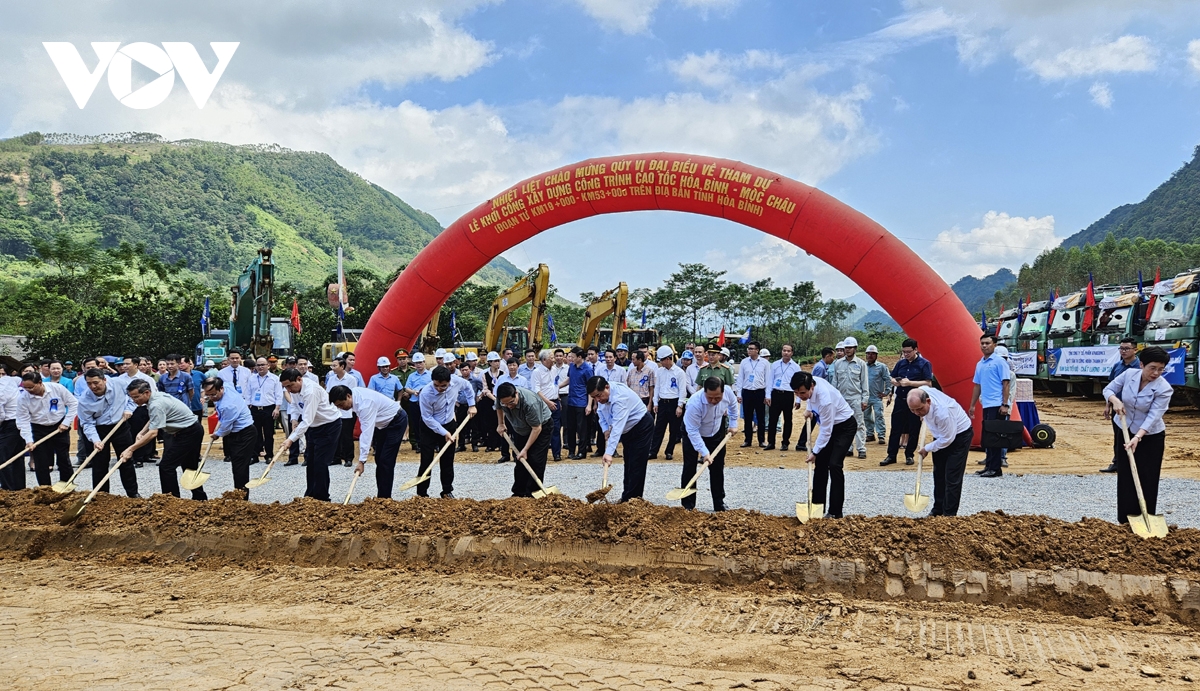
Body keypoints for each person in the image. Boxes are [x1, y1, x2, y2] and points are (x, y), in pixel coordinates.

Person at [1104, 346, 1173, 526]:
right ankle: (1125, 519)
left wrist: (1138, 437)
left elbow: (1153, 416)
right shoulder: (1129, 375)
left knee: (1147, 476)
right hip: (1125, 429)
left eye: (1161, 369)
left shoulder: (1164, 389)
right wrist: (1115, 400)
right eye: (1152, 368)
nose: (1156, 373)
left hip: (1150, 436)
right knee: (1126, 473)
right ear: (1142, 364)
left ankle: (1146, 518)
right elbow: (1108, 389)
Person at [124, 379, 207, 499]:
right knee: (189, 466)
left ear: (146, 393)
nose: (134, 400)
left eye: (136, 397)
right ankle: (200, 498)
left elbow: (153, 433)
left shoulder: (156, 404)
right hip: (189, 430)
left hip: (189, 432)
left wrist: (131, 449)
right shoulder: (155, 397)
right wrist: (142, 432)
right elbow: (155, 417)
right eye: (132, 397)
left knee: (167, 466)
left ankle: (171, 500)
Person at [791, 371, 856, 519]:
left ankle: (835, 511)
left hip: (844, 427)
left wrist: (814, 452)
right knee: (820, 465)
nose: (800, 396)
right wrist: (809, 409)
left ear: (811, 386)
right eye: (796, 393)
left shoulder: (826, 400)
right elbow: (811, 400)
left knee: (834, 464)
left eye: (803, 392)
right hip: (830, 425)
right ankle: (817, 507)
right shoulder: (812, 382)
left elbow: (826, 431)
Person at [329, 385, 407, 499]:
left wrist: (362, 461)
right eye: (338, 406)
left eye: (341, 404)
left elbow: (366, 433)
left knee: (386, 460)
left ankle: (384, 498)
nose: (341, 408)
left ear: (348, 396)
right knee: (379, 458)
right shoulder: (355, 396)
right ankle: (382, 495)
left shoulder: (365, 404)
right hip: (381, 424)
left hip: (396, 421)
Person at [907, 386, 973, 516]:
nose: (916, 413)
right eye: (913, 410)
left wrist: (927, 448)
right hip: (940, 435)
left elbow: (947, 440)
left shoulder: (943, 413)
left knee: (952, 477)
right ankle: (937, 510)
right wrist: (921, 413)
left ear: (928, 401)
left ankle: (949, 515)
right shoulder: (921, 392)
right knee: (939, 474)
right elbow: (923, 387)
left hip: (959, 436)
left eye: (919, 409)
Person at [280, 367, 342, 501]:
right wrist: (294, 419)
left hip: (329, 426)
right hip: (314, 427)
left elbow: (307, 419)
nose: (289, 390)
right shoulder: (294, 389)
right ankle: (310, 495)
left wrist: (290, 440)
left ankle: (322, 498)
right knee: (311, 461)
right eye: (286, 388)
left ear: (299, 379)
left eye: (290, 386)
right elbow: (295, 406)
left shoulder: (311, 392)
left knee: (321, 463)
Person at [588, 376, 655, 502]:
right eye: (594, 397)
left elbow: (618, 427)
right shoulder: (603, 397)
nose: (597, 399)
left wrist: (608, 453)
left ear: (607, 387)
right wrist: (605, 430)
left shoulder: (620, 398)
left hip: (641, 426)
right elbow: (601, 414)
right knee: (628, 462)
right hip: (627, 429)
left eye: (598, 395)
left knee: (637, 464)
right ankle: (627, 497)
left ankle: (634, 501)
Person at [76, 368, 138, 497]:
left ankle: (133, 494)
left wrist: (129, 409)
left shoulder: (118, 383)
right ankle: (102, 497)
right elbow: (87, 423)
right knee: (99, 464)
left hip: (120, 425)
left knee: (125, 460)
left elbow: (134, 393)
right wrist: (95, 440)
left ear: (104, 380)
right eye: (89, 383)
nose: (93, 386)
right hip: (99, 429)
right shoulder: (84, 400)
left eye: (96, 382)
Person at [681, 376, 740, 511]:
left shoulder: (729, 393)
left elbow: (732, 405)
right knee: (690, 467)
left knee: (717, 468)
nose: (714, 401)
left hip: (716, 431)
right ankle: (688, 506)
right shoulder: (694, 404)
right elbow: (693, 432)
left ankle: (719, 503)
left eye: (717, 398)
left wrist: (733, 424)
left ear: (723, 392)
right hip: (694, 432)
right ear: (704, 392)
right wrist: (705, 453)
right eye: (710, 398)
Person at [417, 366, 476, 498]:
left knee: (447, 460)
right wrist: (444, 433)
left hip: (449, 423)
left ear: (449, 381)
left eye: (443, 386)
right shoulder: (426, 393)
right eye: (436, 385)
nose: (439, 388)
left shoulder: (456, 381)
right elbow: (427, 418)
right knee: (427, 460)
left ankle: (447, 490)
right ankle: (422, 493)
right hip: (429, 427)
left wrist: (472, 405)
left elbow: (468, 387)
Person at [16, 371, 77, 487]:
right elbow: (22, 420)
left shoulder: (57, 388)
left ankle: (67, 486)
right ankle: (45, 489)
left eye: (31, 387)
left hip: (59, 427)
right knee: (41, 461)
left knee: (63, 458)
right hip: (38, 428)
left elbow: (73, 403)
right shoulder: (23, 398)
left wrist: (66, 422)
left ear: (39, 383)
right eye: (26, 387)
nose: (28, 390)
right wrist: (28, 440)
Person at [201, 376, 257, 497]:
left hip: (244, 434)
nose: (211, 398)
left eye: (214, 395)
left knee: (239, 467)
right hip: (235, 432)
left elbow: (226, 427)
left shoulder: (228, 405)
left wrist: (217, 434)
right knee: (236, 464)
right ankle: (239, 492)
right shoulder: (226, 386)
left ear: (221, 389)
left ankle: (241, 497)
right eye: (208, 395)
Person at [496, 381, 552, 497]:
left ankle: (534, 493)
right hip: (520, 428)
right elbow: (498, 407)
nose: (509, 406)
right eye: (505, 404)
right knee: (520, 460)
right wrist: (501, 423)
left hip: (541, 427)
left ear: (516, 394)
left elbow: (536, 428)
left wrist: (525, 449)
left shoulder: (530, 403)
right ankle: (519, 492)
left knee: (536, 459)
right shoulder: (502, 397)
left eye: (511, 402)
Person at [884, 339, 933, 466]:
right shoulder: (901, 364)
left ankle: (909, 455)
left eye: (909, 352)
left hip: (916, 402)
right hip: (900, 400)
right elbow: (892, 376)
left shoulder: (924, 364)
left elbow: (928, 383)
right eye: (904, 352)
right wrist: (894, 381)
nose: (906, 354)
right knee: (896, 428)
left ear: (916, 350)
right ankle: (891, 455)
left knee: (913, 428)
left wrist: (910, 383)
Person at [969, 333, 1011, 478]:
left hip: (997, 404)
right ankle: (988, 466)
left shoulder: (999, 362)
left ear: (994, 345)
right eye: (982, 343)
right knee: (987, 437)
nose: (984, 346)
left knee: (996, 437)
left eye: (987, 343)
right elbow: (977, 385)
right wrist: (972, 405)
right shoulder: (980, 363)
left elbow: (1006, 383)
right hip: (986, 404)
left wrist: (1005, 404)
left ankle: (996, 468)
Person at [1100, 337, 1142, 473]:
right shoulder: (1117, 366)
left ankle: (1134, 463)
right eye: (1121, 348)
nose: (1123, 351)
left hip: (1134, 408)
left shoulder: (1139, 367)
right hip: (1117, 408)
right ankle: (1117, 463)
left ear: (1135, 350)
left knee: (1134, 435)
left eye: (1126, 349)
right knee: (1118, 436)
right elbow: (1111, 387)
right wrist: (1108, 405)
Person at [828, 336, 869, 459]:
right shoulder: (838, 364)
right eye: (846, 348)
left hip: (856, 398)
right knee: (843, 424)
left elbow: (864, 383)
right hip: (841, 399)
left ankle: (861, 449)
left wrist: (865, 399)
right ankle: (848, 448)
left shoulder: (861, 364)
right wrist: (833, 399)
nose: (848, 350)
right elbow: (834, 383)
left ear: (855, 348)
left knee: (859, 424)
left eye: (850, 348)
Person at [244, 356, 284, 463]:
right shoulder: (251, 378)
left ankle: (269, 455)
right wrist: (247, 406)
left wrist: (277, 408)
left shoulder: (275, 379)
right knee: (255, 433)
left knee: (268, 433)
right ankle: (255, 455)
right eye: (258, 365)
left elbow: (278, 394)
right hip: (254, 409)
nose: (260, 367)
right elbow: (247, 393)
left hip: (269, 408)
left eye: (263, 365)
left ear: (268, 365)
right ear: (255, 367)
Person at [651, 346, 686, 460]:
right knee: (658, 429)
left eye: (661, 360)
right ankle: (653, 451)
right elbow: (657, 387)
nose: (660, 363)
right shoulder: (660, 371)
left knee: (674, 429)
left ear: (668, 359)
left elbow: (682, 390)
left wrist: (680, 406)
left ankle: (669, 451)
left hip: (674, 402)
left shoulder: (679, 372)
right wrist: (655, 402)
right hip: (663, 402)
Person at [765, 344, 801, 451]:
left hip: (788, 394)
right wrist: (768, 395)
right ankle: (771, 442)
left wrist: (798, 399)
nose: (786, 353)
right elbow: (770, 381)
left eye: (788, 351)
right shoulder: (775, 364)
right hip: (776, 393)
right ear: (782, 351)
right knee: (773, 419)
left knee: (788, 419)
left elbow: (799, 384)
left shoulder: (795, 367)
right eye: (784, 350)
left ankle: (785, 442)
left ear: (792, 353)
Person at [326, 355, 358, 467]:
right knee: (335, 436)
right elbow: (328, 394)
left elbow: (351, 395)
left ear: (342, 366)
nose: (333, 368)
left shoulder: (351, 379)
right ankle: (336, 458)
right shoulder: (331, 379)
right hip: (334, 412)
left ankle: (348, 458)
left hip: (347, 412)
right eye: (332, 365)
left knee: (347, 436)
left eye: (335, 365)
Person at [531, 351, 563, 462]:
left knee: (556, 428)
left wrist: (557, 398)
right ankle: (541, 454)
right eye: (551, 358)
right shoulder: (537, 372)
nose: (554, 359)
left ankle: (557, 453)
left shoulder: (554, 370)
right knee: (542, 429)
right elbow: (536, 390)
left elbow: (555, 386)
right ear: (544, 360)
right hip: (543, 404)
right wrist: (547, 402)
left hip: (555, 402)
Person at [735, 341, 769, 449]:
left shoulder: (764, 363)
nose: (749, 350)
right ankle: (747, 440)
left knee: (761, 417)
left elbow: (768, 380)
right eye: (748, 348)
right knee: (747, 417)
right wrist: (739, 394)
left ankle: (761, 440)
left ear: (757, 350)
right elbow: (740, 379)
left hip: (759, 392)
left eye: (751, 348)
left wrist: (767, 395)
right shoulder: (744, 362)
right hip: (747, 392)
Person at [564, 347, 594, 460]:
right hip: (571, 401)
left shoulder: (587, 369)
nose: (571, 358)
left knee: (582, 429)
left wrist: (589, 404)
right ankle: (571, 450)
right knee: (570, 427)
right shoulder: (572, 366)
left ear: (580, 357)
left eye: (573, 356)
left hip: (582, 403)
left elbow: (591, 388)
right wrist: (557, 387)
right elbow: (569, 379)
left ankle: (582, 451)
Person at [403, 353, 432, 452]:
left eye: (420, 362)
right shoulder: (411, 376)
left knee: (428, 422)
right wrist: (413, 392)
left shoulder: (430, 375)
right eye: (416, 363)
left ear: (424, 362)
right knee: (416, 424)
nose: (419, 365)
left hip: (427, 403)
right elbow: (406, 388)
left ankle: (430, 443)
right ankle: (419, 444)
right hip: (414, 402)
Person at [477, 352, 504, 458]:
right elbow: (485, 389)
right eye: (495, 361)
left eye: (498, 361)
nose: (497, 363)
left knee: (500, 421)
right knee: (489, 423)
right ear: (490, 362)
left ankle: (500, 443)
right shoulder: (484, 374)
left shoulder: (502, 373)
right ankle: (490, 444)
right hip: (489, 400)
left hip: (501, 400)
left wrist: (499, 399)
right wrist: (494, 399)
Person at [864, 345, 891, 445]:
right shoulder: (863, 366)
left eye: (873, 354)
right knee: (866, 416)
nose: (870, 355)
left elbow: (888, 379)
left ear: (876, 355)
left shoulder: (882, 367)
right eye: (868, 354)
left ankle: (881, 435)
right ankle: (870, 434)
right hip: (865, 396)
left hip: (876, 396)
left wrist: (887, 392)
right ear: (866, 355)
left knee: (879, 415)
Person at [0, 367, 22, 491]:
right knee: (16, 456)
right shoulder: (11, 380)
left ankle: (8, 489)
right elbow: (18, 379)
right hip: (18, 422)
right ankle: (19, 489)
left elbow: (1, 414)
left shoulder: (2, 386)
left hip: (9, 423)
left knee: (3, 457)